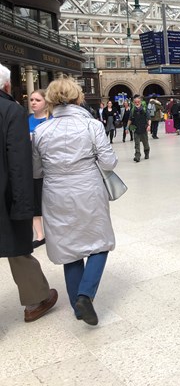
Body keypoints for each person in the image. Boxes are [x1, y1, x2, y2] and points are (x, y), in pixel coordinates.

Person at [32, 77, 116, 326]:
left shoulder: (40, 131)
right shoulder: (92, 126)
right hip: (88, 189)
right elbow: (108, 162)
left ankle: (78, 308)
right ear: (77, 97)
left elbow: (36, 171)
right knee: (100, 242)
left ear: (50, 100)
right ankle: (85, 295)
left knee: (70, 249)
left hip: (56, 193)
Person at [0, 65, 58, 323]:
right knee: (16, 248)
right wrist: (24, 205)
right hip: (4, 196)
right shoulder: (11, 110)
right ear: (7, 86)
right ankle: (36, 301)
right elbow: (19, 163)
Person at [28, 89, 50, 247]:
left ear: (46, 102)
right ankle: (40, 235)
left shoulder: (52, 120)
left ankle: (52, 232)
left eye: (37, 100)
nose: (33, 103)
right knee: (34, 201)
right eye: (31, 100)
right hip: (31, 168)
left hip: (49, 169)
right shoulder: (26, 120)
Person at [128, 94, 151, 162]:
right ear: (133, 102)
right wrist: (127, 128)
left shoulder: (144, 109)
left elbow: (149, 118)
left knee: (145, 143)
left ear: (140, 102)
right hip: (136, 129)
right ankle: (137, 156)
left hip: (144, 128)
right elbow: (130, 119)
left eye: (138, 102)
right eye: (135, 102)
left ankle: (146, 153)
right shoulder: (132, 110)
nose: (137, 103)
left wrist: (149, 125)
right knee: (136, 144)